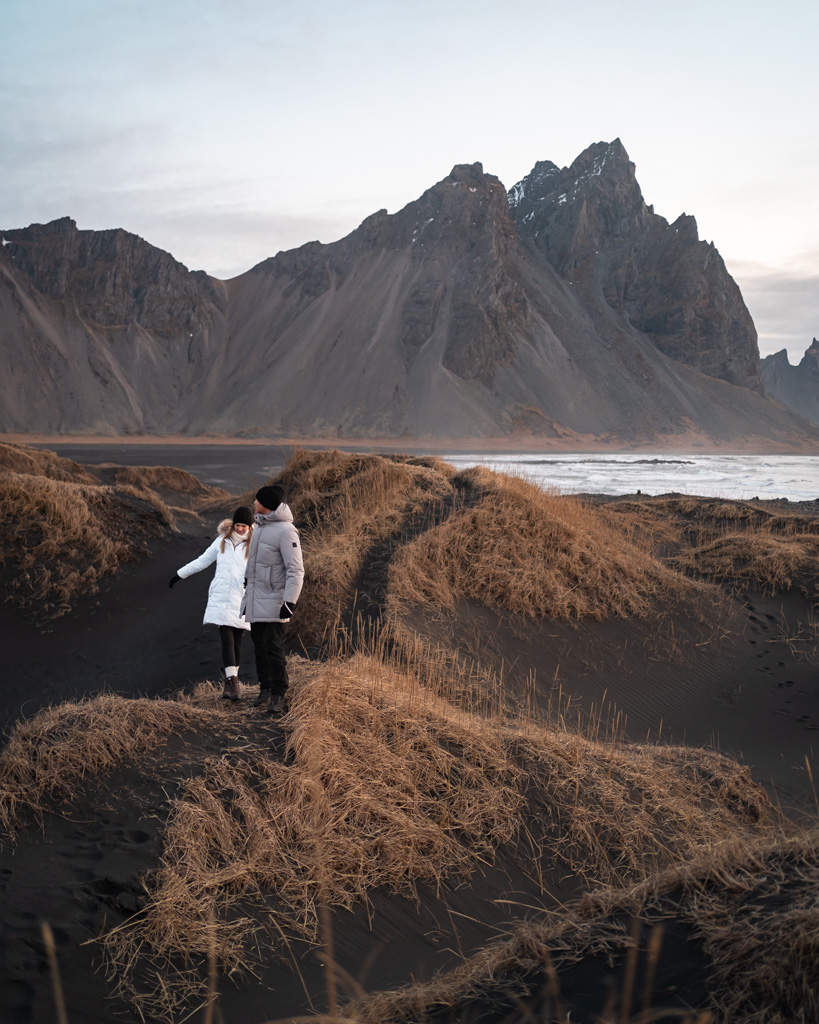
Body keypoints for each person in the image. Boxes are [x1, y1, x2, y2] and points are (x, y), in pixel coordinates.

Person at [169, 506, 254, 701]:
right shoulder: (221, 541)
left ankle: (229, 683)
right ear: (234, 524)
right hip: (221, 598)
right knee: (226, 637)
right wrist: (179, 575)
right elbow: (202, 561)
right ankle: (233, 682)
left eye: (245, 526)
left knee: (237, 641)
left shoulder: (254, 545)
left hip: (242, 598)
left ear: (250, 527)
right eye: (238, 525)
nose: (241, 529)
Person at [242, 484, 304, 714]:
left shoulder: (287, 531)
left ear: (266, 504)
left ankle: (279, 694)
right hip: (256, 598)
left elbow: (295, 570)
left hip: (275, 601)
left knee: (273, 648)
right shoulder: (259, 527)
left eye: (257, 500)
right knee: (259, 647)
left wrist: (289, 601)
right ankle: (265, 689)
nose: (254, 503)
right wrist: (247, 582)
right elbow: (255, 563)